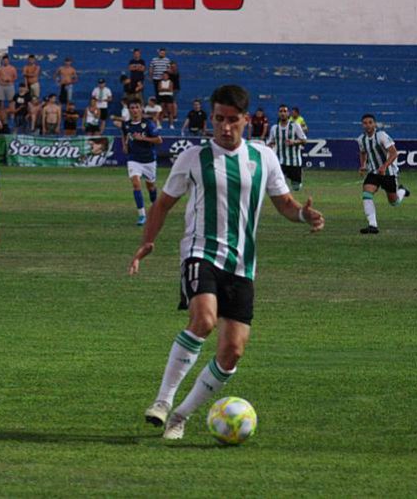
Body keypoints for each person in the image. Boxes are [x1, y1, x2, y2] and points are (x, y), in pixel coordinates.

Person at [129, 85, 324, 440]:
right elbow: (163, 204)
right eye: (219, 119)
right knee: (203, 319)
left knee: (232, 350)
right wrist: (148, 242)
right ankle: (162, 401)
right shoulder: (192, 158)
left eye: (233, 120)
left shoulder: (263, 157)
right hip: (199, 252)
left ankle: (181, 416)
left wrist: (303, 216)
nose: (225, 127)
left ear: (246, 121)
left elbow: (284, 203)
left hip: (242, 265)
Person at [357, 113, 411, 234]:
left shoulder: (381, 136)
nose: (368, 125)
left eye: (370, 122)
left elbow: (394, 153)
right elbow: (362, 152)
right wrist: (363, 165)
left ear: (375, 124)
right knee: (366, 193)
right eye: (365, 123)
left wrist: (384, 166)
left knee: (394, 202)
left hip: (388, 173)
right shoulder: (361, 139)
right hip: (373, 172)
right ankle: (373, 225)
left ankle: (402, 191)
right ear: (362, 125)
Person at [122, 99, 162, 226]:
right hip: (134, 159)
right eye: (132, 107)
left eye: (136, 107)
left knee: (151, 187)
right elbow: (124, 135)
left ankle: (155, 209)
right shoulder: (126, 125)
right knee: (136, 184)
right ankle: (142, 215)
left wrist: (142, 138)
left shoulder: (148, 124)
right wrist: (125, 145)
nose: (134, 110)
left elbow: (159, 140)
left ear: (141, 109)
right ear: (129, 109)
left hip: (149, 159)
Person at [267, 105, 307, 191]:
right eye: (281, 111)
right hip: (280, 161)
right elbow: (270, 142)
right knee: (278, 185)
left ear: (288, 113)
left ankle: (299, 176)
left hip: (294, 161)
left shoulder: (295, 126)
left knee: (296, 187)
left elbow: (304, 140)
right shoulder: (274, 128)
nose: (283, 113)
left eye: (285, 111)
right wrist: (270, 145)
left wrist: (294, 142)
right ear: (278, 113)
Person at [0, 55, 17, 124]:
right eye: (4, 60)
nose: (5, 61)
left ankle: (12, 115)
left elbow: (15, 77)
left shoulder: (12, 68)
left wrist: (9, 80)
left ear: (8, 61)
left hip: (10, 85)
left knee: (11, 101)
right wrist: (1, 80)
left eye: (6, 60)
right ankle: (1, 115)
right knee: (1, 101)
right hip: (1, 86)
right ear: (2, 61)